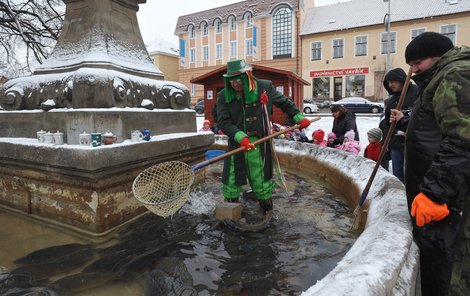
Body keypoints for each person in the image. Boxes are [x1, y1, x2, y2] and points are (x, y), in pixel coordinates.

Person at [392, 32, 470, 296]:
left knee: (451, 268)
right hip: (439, 192)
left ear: (437, 56)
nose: (412, 71)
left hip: (450, 198)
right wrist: (405, 121)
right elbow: (433, 124)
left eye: (417, 63)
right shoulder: (439, 77)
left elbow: (462, 139)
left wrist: (435, 193)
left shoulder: (455, 74)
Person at [216, 59, 311, 213]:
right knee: (231, 180)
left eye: (238, 80)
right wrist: (240, 137)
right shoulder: (223, 96)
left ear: (247, 76)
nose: (235, 84)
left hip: (260, 144)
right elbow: (223, 122)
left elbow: (284, 103)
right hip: (237, 144)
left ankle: (266, 211)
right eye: (231, 81)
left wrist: (298, 117)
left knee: (261, 180)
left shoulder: (264, 87)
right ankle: (230, 212)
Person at [382, 68, 419, 182]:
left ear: (401, 79)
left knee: (413, 177)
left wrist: (404, 118)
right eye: (388, 82)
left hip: (414, 144)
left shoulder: (418, 92)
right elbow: (387, 124)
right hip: (397, 145)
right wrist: (387, 141)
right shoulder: (392, 101)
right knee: (398, 177)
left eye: (393, 81)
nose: (390, 84)